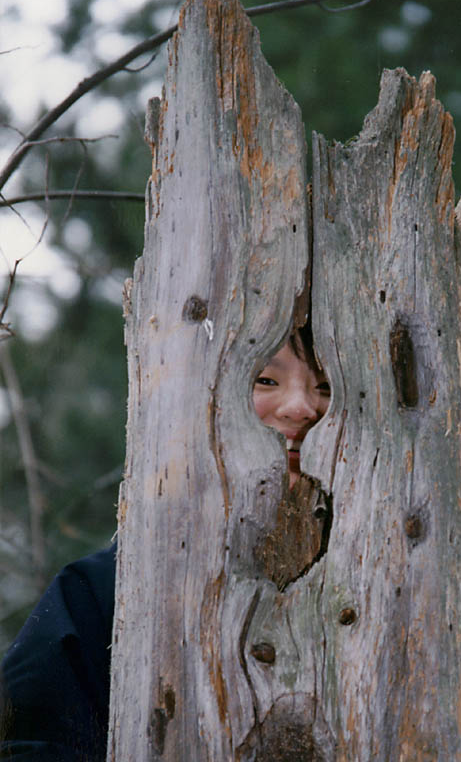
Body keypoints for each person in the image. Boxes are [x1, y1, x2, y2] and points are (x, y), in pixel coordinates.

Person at [0, 323, 330, 760]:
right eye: (265, 379)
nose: (301, 407)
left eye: (326, 386)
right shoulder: (105, 590)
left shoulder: (411, 574)